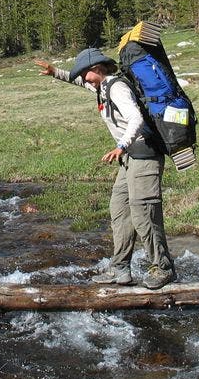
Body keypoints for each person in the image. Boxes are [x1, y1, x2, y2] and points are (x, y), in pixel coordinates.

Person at [35, 49, 177, 289]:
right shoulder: (100, 87)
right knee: (120, 210)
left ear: (98, 69)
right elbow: (78, 82)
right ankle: (120, 268)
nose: (83, 77)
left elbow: (136, 119)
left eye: (85, 72)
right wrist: (54, 72)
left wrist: (121, 146)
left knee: (144, 213)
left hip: (144, 155)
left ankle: (163, 267)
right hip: (130, 157)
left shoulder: (117, 88)